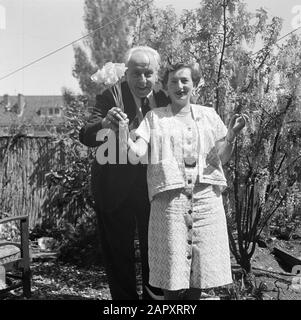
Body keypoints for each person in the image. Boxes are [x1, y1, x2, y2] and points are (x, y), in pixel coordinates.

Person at [127, 62, 246, 300]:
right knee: (171, 268)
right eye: (173, 81)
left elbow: (219, 158)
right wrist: (122, 133)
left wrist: (231, 136)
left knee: (200, 271)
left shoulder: (209, 115)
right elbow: (136, 154)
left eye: (185, 80)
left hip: (206, 200)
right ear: (165, 87)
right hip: (170, 201)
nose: (179, 86)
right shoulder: (154, 118)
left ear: (194, 84)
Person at [79, 46, 170, 300]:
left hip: (154, 189)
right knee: (118, 254)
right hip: (114, 188)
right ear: (126, 73)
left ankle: (154, 303)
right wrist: (104, 124)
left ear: (156, 75)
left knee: (156, 252)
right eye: (136, 73)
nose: (142, 80)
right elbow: (86, 135)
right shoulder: (110, 97)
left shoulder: (165, 100)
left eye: (148, 73)